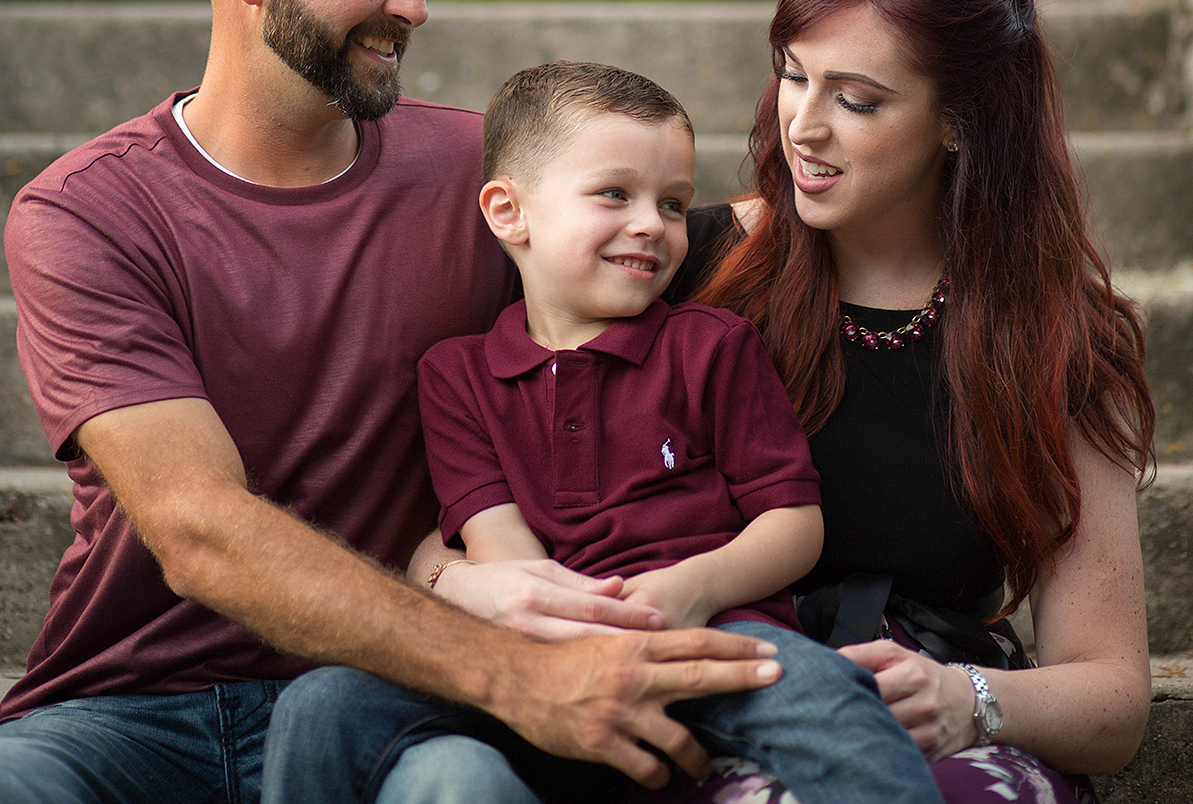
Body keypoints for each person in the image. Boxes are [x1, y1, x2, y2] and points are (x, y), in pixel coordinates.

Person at [0, 0, 793, 804]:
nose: (416, 5)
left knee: (462, 791)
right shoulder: (89, 214)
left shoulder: (478, 174)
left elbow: (709, 232)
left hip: (392, 696)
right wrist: (519, 675)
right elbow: (200, 529)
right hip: (127, 712)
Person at [260, 61, 942, 804]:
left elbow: (792, 523)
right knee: (320, 705)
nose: (652, 223)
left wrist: (690, 589)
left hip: (711, 641)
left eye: (675, 204)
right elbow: (502, 551)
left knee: (836, 701)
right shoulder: (455, 375)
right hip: (537, 664)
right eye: (615, 194)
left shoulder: (714, 345)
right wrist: (570, 646)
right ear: (508, 212)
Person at [688, 0, 1154, 804]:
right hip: (722, 697)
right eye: (793, 76)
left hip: (934, 713)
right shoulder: (695, 267)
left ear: (958, 120)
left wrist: (971, 700)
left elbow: (1113, 702)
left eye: (857, 99)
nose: (804, 127)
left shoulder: (1057, 336)